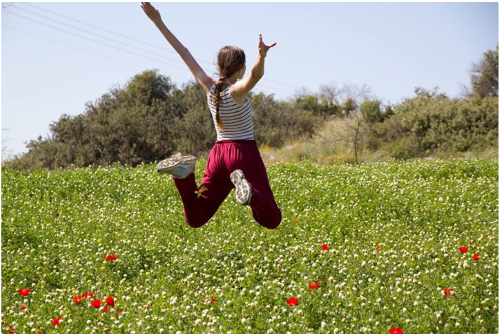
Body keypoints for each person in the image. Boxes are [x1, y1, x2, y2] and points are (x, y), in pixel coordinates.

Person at [141, 2, 281, 229]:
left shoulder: (210, 87)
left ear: (219, 66)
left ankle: (183, 176)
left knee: (196, 218)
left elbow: (183, 52)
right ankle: (250, 193)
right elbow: (256, 75)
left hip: (218, 156)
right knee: (272, 219)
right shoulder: (236, 91)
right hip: (242, 154)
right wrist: (262, 55)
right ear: (240, 68)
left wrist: (158, 22)